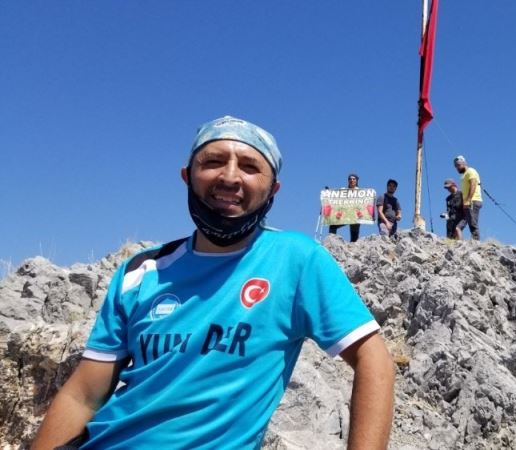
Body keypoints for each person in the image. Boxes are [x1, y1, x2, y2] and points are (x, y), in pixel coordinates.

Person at [32, 116, 395, 450]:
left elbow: (373, 359)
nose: (230, 177)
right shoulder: (140, 270)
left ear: (273, 189)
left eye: (250, 166)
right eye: (213, 161)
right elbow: (83, 395)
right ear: (187, 176)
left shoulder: (296, 260)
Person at [453, 155, 482, 240]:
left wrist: (469, 200)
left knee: (473, 224)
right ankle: (459, 242)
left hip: (473, 201)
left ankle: (476, 243)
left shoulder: (470, 171)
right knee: (458, 227)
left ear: (464, 163)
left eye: (458, 165)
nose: (457, 168)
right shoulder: (464, 175)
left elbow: (473, 184)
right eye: (456, 166)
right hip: (467, 203)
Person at [328, 173, 362, 242]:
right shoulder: (343, 190)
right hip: (345, 214)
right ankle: (331, 242)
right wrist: (327, 194)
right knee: (333, 225)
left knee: (354, 235)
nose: (352, 180)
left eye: (354, 179)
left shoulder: (361, 192)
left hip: (355, 215)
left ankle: (353, 245)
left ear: (356, 181)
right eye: (350, 179)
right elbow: (336, 199)